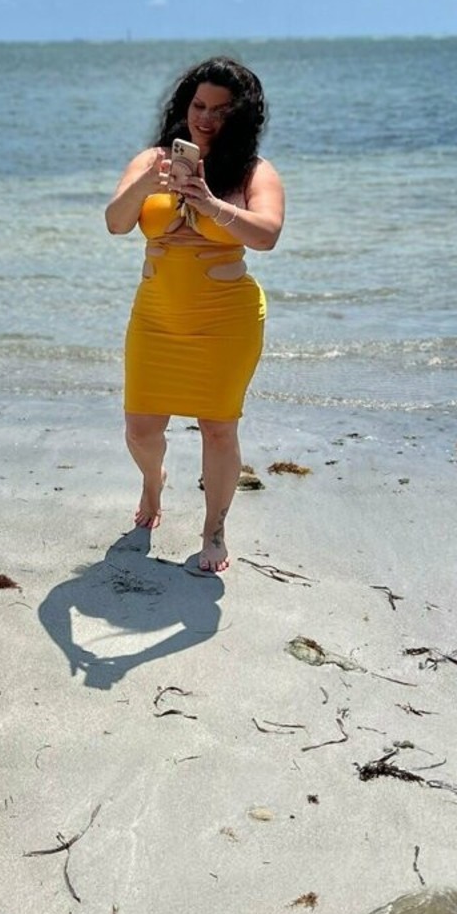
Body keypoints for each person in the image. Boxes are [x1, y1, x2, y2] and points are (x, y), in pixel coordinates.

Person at [105, 56, 285, 573]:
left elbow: (267, 235)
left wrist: (209, 203)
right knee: (140, 430)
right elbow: (116, 223)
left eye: (219, 110)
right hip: (157, 317)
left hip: (225, 322)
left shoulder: (254, 171)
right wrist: (146, 186)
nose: (205, 118)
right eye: (198, 105)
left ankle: (215, 531)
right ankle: (152, 482)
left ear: (240, 116)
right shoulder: (152, 161)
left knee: (218, 429)